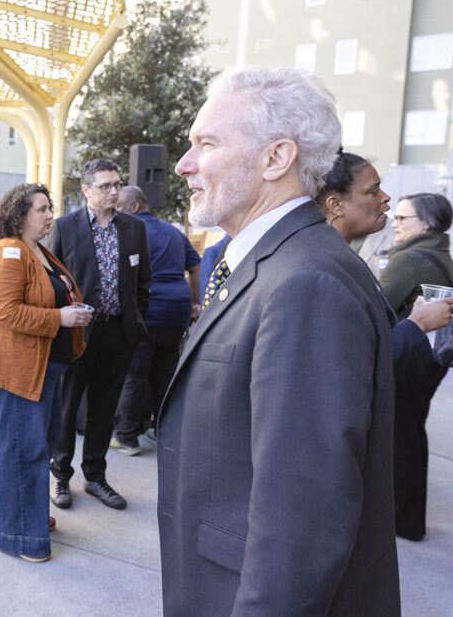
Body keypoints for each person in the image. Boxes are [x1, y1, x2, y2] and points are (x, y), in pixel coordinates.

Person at [158, 67, 400, 615]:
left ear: (276, 158)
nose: (183, 163)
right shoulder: (278, 264)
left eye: (206, 143)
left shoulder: (307, 283)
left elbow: (303, 520)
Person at [316, 152, 453, 541]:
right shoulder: (325, 262)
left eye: (402, 217)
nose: (387, 201)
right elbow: (349, 356)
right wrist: (415, 324)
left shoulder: (380, 258)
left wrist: (413, 325)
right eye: (373, 190)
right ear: (335, 204)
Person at [0, 183, 89, 562]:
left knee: (36, 449)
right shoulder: (8, 252)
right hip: (20, 371)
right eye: (41, 209)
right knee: (23, 453)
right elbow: (7, 312)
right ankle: (23, 537)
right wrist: (61, 317)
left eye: (49, 208)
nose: (49, 215)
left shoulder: (37, 251)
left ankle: (30, 516)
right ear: (19, 214)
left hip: (45, 367)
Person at [47, 158, 151, 511]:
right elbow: (51, 281)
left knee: (104, 409)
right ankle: (60, 475)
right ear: (87, 190)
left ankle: (95, 477)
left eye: (117, 184)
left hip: (118, 333)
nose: (113, 191)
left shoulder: (134, 228)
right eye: (105, 186)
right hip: (77, 335)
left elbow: (143, 283)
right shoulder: (65, 227)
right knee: (66, 407)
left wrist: (137, 322)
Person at [112, 185, 200, 455]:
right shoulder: (174, 232)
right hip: (177, 311)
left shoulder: (130, 232)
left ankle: (126, 437)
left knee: (134, 373)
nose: (115, 213)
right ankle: (162, 431)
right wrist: (194, 300)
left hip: (148, 310)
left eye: (119, 207)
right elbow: (195, 265)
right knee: (164, 373)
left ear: (135, 206)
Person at [380, 192, 453, 320]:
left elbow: (375, 309)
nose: (394, 224)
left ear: (428, 222)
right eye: (395, 218)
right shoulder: (440, 253)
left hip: (408, 338)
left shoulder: (408, 260)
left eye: (402, 218)